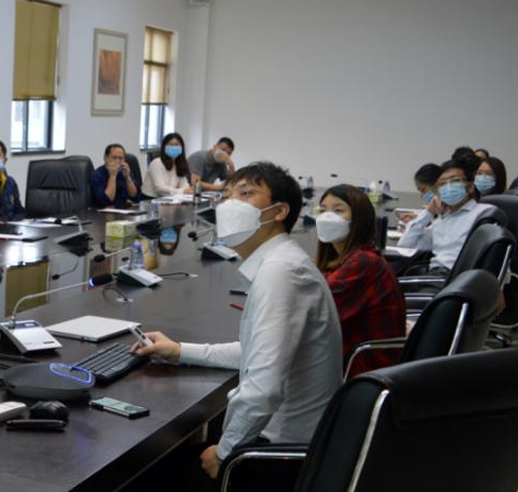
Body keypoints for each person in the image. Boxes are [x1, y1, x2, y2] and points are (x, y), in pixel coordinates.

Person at [132, 162, 341, 483]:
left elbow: (263, 389)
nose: (231, 204)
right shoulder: (284, 262)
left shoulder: (280, 274)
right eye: (228, 195)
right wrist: (180, 351)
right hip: (295, 444)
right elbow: (257, 354)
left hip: (279, 457)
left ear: (279, 211)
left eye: (246, 194)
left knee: (146, 473)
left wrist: (225, 454)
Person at [314, 185, 406, 377]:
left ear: (358, 219)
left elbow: (316, 313)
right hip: (345, 357)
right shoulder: (342, 259)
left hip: (365, 369)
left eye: (338, 210)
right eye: (322, 210)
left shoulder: (364, 263)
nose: (327, 217)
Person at [397, 156, 494, 275]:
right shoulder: (440, 221)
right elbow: (405, 245)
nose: (448, 187)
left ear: (470, 187)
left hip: (459, 279)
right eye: (443, 183)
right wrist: (428, 212)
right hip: (434, 276)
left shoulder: (485, 213)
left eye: (455, 181)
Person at [142, 133, 193, 198]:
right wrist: (182, 191)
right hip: (150, 200)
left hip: (170, 199)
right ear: (164, 147)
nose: (174, 147)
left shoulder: (179, 164)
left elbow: (184, 185)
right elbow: (160, 189)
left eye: (177, 145)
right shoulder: (157, 163)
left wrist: (188, 190)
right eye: (171, 144)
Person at [89, 144, 140, 208]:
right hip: (105, 211)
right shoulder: (97, 175)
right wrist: (112, 176)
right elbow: (106, 201)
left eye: (120, 158)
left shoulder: (125, 171)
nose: (117, 161)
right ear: (105, 159)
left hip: (125, 209)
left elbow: (135, 197)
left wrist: (127, 178)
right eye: (114, 158)